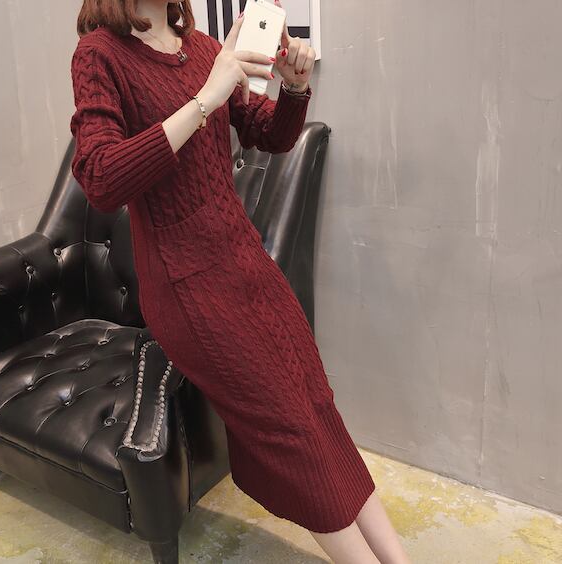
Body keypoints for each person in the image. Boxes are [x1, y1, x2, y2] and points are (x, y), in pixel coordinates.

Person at [69, 1, 410, 562]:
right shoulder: (99, 55)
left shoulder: (203, 48)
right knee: (289, 432)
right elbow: (102, 178)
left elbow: (267, 134)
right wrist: (205, 99)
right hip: (186, 288)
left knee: (315, 405)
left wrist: (295, 88)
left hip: (245, 263)